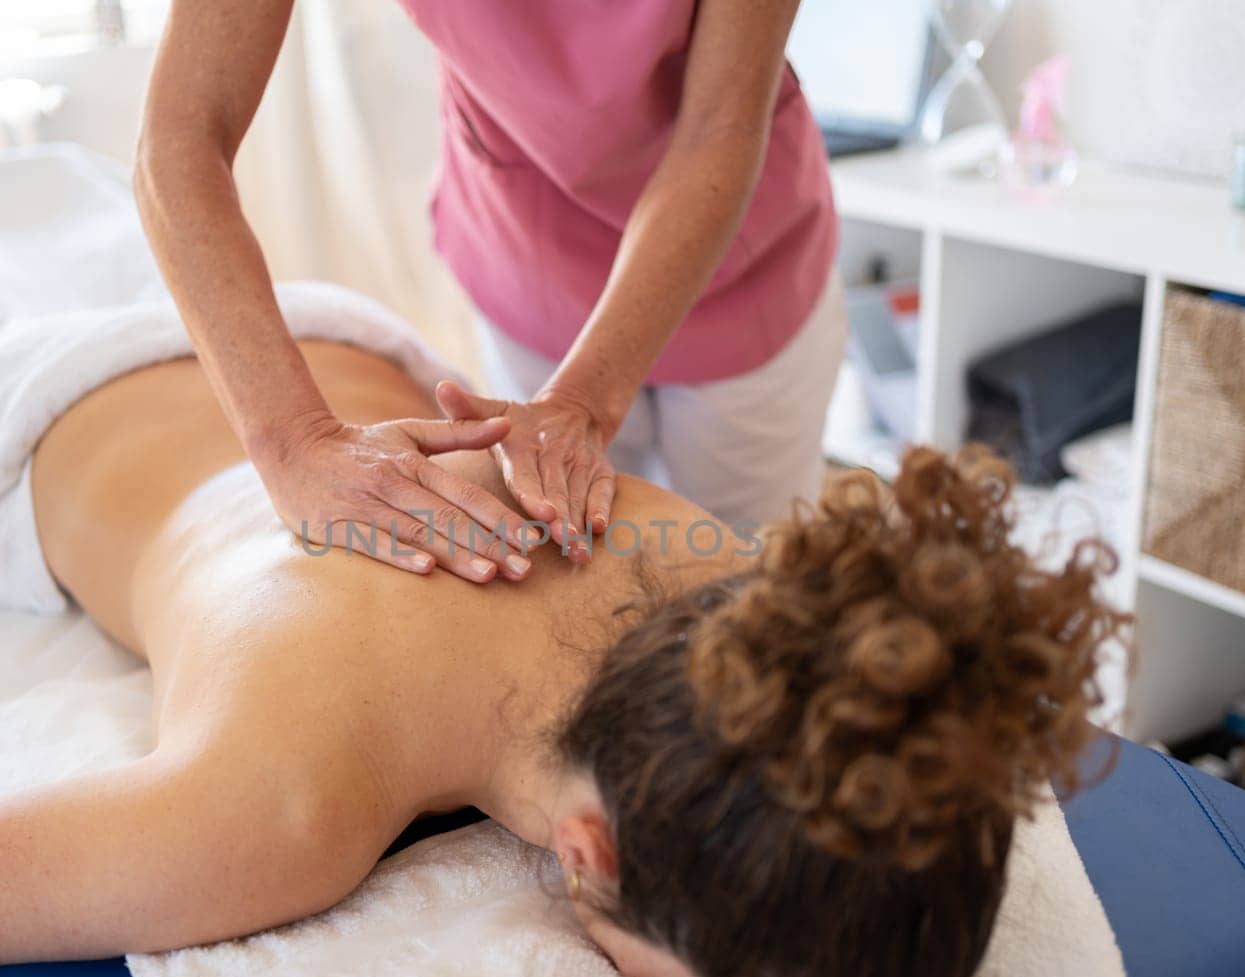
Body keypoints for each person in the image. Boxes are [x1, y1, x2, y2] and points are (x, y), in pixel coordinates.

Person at [0, 329, 1122, 977]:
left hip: (329, 328)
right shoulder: (281, 805)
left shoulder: (729, 572)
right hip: (32, 411)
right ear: (591, 853)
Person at [135, 0, 844, 579]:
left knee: (746, 583)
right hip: (523, 242)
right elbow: (179, 141)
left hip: (736, 263)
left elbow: (719, 127)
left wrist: (585, 401)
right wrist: (294, 443)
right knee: (579, 574)